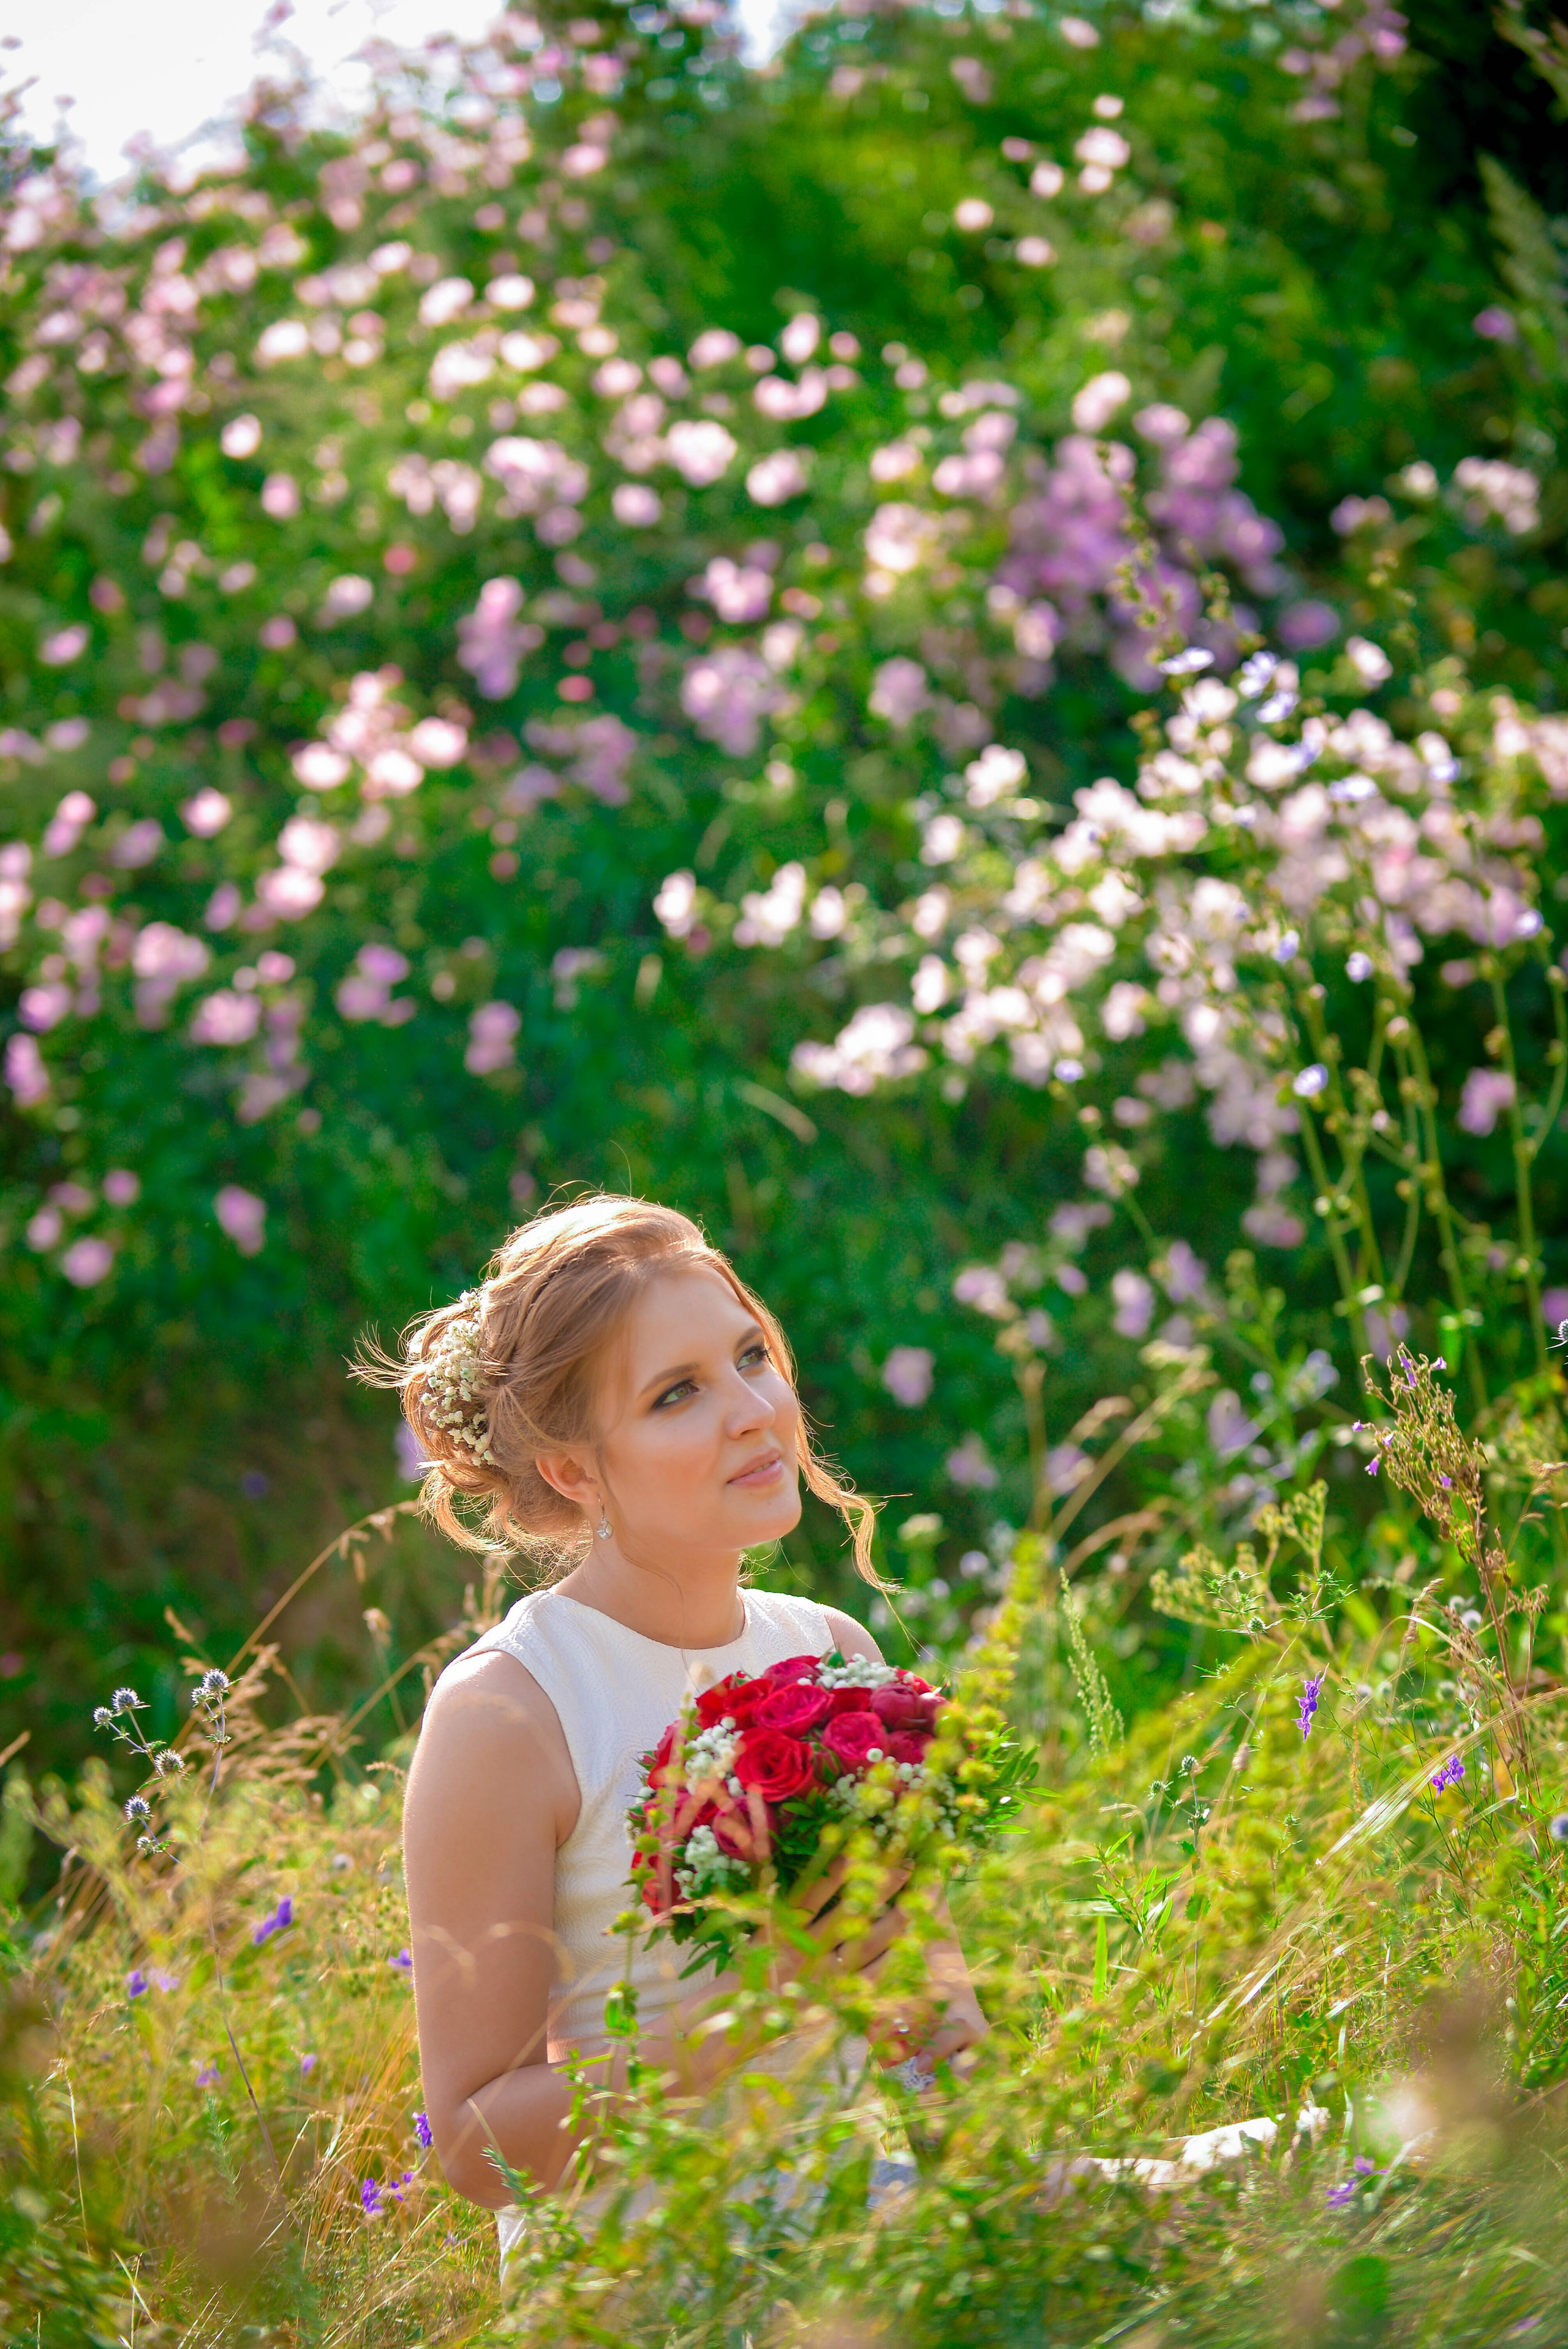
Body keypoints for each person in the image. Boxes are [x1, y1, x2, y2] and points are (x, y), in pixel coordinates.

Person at [371, 1193, 987, 2264]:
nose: (753, 1410)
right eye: (676, 1394)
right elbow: (474, 2142)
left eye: (751, 1355)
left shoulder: (835, 1652)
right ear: (570, 1469)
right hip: (649, 2281)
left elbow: (944, 2035)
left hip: (874, 2238)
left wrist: (1009, 2210)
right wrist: (764, 2005)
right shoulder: (511, 1714)